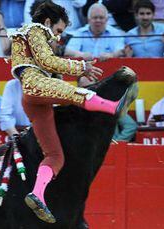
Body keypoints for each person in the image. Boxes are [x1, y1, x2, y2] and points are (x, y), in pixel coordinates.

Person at [8, 1, 133, 223]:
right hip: (35, 84)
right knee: (77, 93)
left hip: (35, 99)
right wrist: (81, 67)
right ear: (47, 22)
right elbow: (47, 61)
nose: (57, 37)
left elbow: (49, 66)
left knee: (55, 156)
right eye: (57, 30)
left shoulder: (33, 38)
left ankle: (37, 194)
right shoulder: (35, 30)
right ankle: (114, 107)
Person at [78, 76, 137, 142]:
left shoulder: (108, 104)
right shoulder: (72, 107)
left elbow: (130, 126)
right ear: (78, 88)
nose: (88, 90)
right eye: (84, 87)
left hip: (107, 149)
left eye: (91, 86)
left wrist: (117, 143)